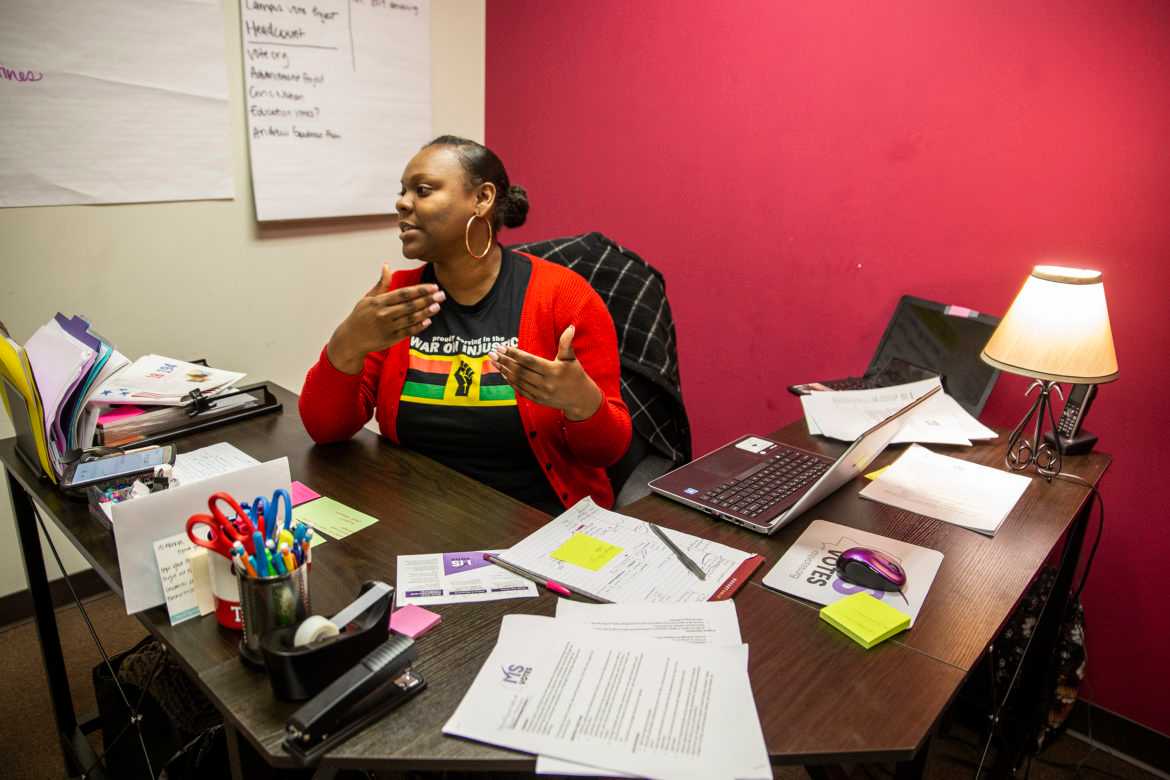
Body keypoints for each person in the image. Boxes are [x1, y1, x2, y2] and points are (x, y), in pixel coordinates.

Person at [299, 136, 632, 513]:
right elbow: (325, 431)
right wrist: (346, 344)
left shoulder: (563, 296)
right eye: (403, 191)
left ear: (482, 198)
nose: (402, 203)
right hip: (420, 523)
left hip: (538, 524)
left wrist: (581, 402)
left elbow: (609, 450)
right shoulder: (398, 297)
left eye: (422, 190)